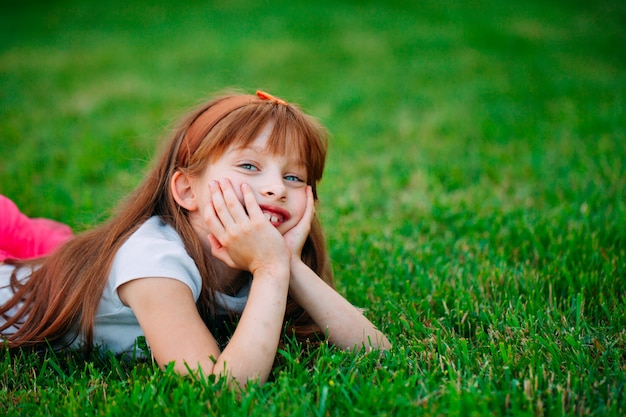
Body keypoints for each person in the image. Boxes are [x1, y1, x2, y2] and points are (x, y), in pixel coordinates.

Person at [0, 90, 390, 385]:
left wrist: (285, 260)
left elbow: (378, 352)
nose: (276, 188)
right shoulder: (155, 260)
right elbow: (217, 391)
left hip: (52, 265)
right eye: (250, 165)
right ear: (187, 191)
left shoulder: (263, 254)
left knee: (51, 242)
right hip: (10, 295)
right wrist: (271, 269)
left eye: (294, 176)